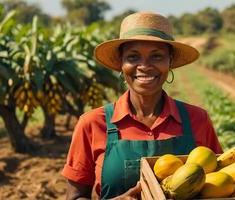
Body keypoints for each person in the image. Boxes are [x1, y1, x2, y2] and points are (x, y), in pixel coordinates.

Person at [62, 12, 223, 200]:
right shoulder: (92, 123)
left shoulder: (197, 120)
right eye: (133, 57)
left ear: (169, 61)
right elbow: (74, 196)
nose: (144, 66)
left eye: (157, 56)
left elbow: (218, 184)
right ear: (121, 63)